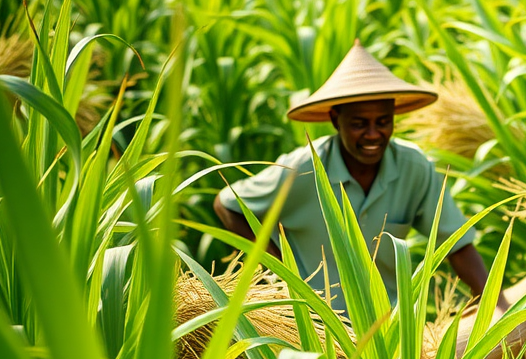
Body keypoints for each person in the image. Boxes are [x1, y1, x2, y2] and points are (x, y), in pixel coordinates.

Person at [213, 39, 510, 317]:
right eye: (358, 124)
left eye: (383, 122)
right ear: (334, 120)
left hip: (389, 326)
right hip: (315, 327)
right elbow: (227, 204)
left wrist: (497, 305)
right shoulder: (303, 169)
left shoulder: (414, 168)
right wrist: (281, 273)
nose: (372, 135)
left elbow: (457, 244)